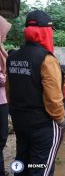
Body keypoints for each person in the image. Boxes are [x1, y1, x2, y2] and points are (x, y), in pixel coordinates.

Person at [6, 10, 65, 176]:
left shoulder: (12, 57)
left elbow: (10, 92)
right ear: (45, 32)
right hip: (43, 124)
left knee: (22, 163)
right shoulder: (47, 59)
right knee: (41, 169)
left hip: (20, 121)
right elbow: (53, 99)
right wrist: (60, 120)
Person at [0, 15, 11, 176]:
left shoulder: (1, 49)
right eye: (5, 31)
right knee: (1, 137)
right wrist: (7, 77)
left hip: (3, 99)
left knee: (2, 138)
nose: (6, 34)